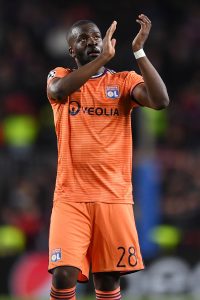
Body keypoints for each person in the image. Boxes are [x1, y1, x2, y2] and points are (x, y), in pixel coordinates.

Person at [47, 14, 169, 300]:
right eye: (83, 38)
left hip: (113, 196)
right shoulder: (60, 75)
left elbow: (160, 100)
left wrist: (138, 51)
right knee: (64, 273)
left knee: (107, 279)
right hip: (71, 197)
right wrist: (100, 61)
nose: (92, 41)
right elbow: (58, 91)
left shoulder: (124, 81)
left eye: (96, 37)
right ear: (71, 50)